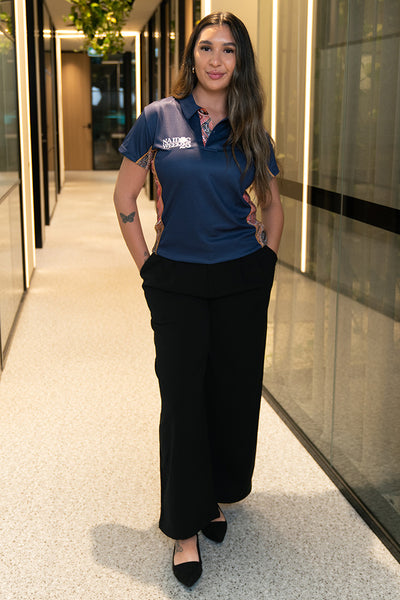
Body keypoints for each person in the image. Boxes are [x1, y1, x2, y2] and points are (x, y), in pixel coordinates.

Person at [113, 11, 284, 587]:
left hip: (241, 279)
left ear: (240, 62)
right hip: (178, 281)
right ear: (192, 56)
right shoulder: (159, 118)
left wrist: (265, 264)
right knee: (183, 399)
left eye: (228, 50)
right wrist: (149, 269)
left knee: (230, 392)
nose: (216, 59)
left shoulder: (250, 126)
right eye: (207, 47)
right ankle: (185, 529)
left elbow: (273, 205)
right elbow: (125, 198)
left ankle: (213, 495)